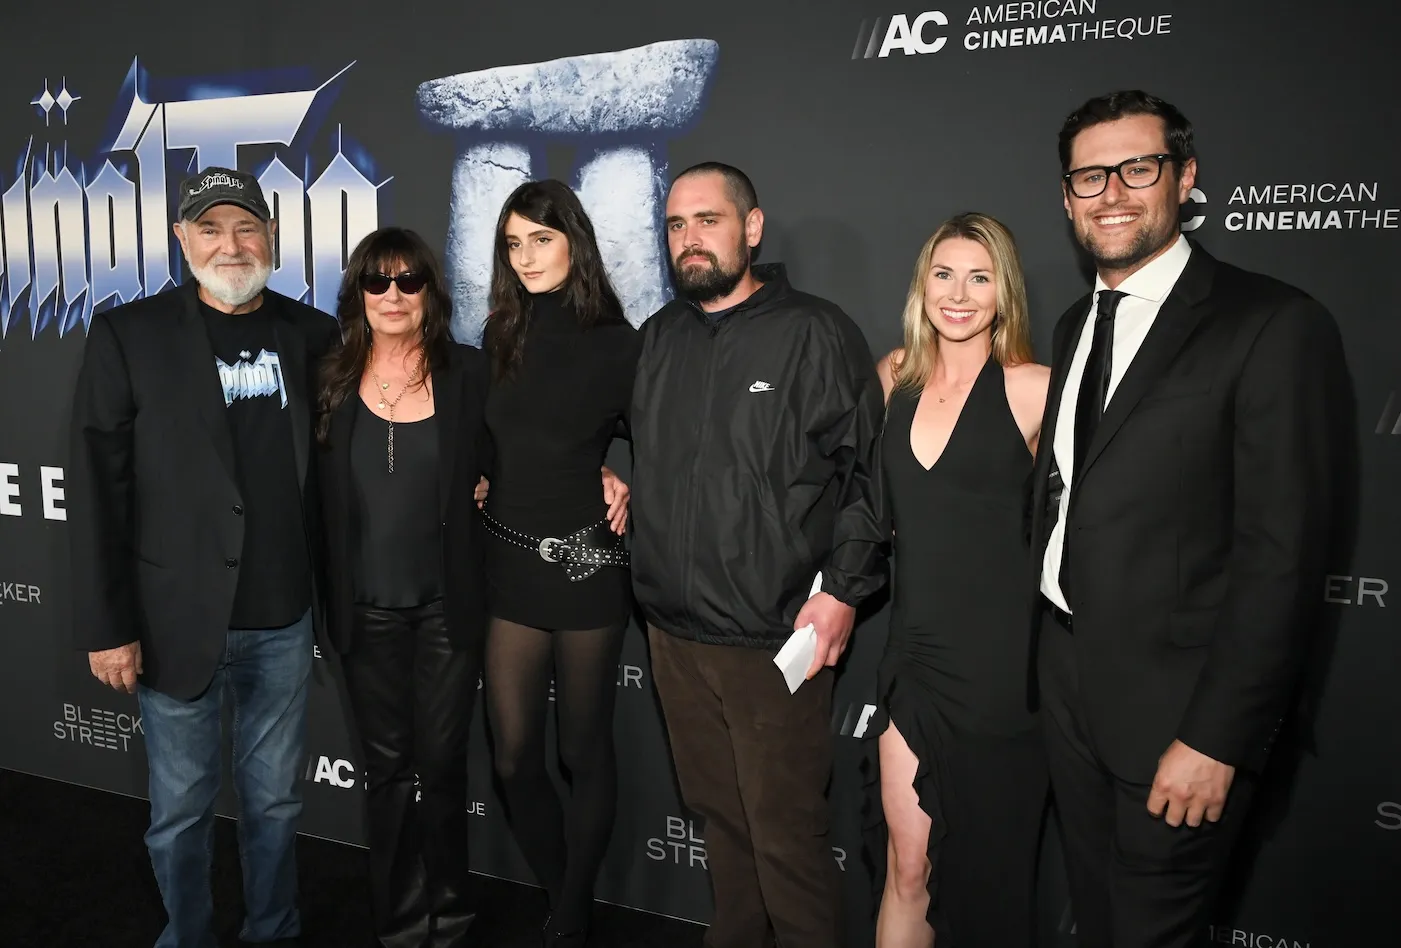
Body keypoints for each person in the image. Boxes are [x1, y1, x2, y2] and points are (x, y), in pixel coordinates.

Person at [1029, 90, 1350, 948]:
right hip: (1065, 684)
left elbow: (1282, 557)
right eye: (1089, 176)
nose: (1112, 193)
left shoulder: (1272, 324)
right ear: (1065, 197)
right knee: (1095, 921)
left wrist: (1219, 738)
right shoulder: (1072, 325)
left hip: (1181, 713)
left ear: (1185, 177)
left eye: (1137, 168)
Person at [69, 167, 336, 948]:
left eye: (247, 227)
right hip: (171, 622)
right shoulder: (130, 335)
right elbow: (96, 487)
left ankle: (273, 930)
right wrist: (105, 624)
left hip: (283, 621)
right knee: (181, 812)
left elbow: (387, 430)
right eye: (211, 229)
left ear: (274, 239)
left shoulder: (315, 334)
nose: (231, 244)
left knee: (278, 804)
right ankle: (187, 936)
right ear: (182, 240)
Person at [629, 162, 888, 948]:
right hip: (673, 636)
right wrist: (605, 471)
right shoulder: (659, 337)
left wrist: (842, 591)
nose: (689, 240)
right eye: (675, 226)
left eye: (707, 220)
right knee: (720, 825)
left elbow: (869, 480)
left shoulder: (816, 331)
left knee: (785, 838)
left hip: (774, 638)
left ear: (751, 227)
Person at [869, 212, 1051, 948]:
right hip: (911, 658)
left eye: (980, 277)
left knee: (985, 880)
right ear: (922, 285)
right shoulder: (892, 378)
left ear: (1003, 292)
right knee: (906, 867)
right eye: (944, 274)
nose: (959, 293)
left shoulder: (1035, 387)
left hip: (1004, 676)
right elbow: (855, 504)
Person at [315, 227, 490, 948]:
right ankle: (397, 920)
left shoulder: (470, 374)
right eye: (377, 282)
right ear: (358, 292)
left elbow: (533, 454)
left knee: (442, 766)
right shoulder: (325, 376)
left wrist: (603, 472)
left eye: (408, 281)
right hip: (363, 612)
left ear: (430, 293)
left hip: (448, 608)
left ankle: (446, 918)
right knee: (386, 774)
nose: (393, 296)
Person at [477, 179, 638, 947]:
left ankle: (571, 915)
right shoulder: (497, 333)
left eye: (540, 238)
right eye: (514, 243)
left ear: (573, 240)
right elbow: (488, 441)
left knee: (581, 749)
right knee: (512, 757)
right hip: (508, 564)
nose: (526, 256)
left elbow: (663, 440)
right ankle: (560, 887)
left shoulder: (618, 340)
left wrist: (626, 476)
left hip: (585, 565)